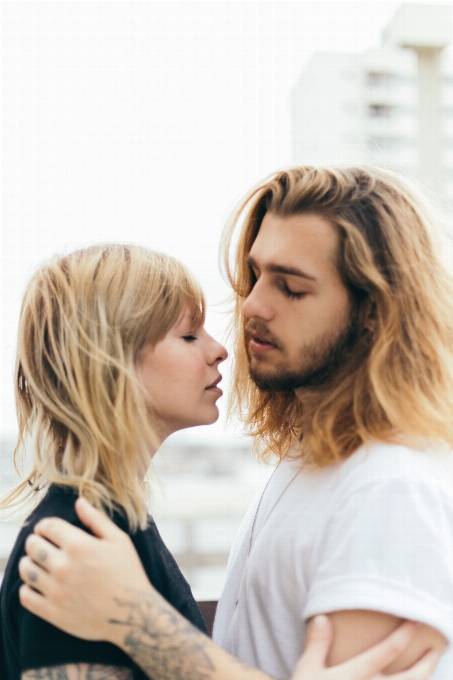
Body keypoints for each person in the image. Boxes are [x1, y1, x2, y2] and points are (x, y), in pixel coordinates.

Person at [15, 165, 453, 678]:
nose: (251, 306)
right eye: (256, 275)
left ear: (373, 311)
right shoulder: (310, 461)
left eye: (290, 288)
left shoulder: (389, 486)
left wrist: (141, 619)